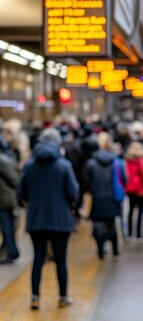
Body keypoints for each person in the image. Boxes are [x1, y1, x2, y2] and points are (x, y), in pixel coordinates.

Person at [18, 128, 79, 310]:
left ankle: (35, 297)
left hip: (36, 219)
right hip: (60, 220)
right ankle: (63, 296)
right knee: (61, 259)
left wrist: (34, 202)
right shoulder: (64, 165)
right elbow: (73, 192)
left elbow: (22, 192)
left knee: (38, 259)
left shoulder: (29, 165)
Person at [84, 132, 126, 259]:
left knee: (98, 224)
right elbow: (123, 179)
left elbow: (86, 182)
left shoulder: (91, 163)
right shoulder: (117, 162)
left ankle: (100, 249)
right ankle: (115, 249)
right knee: (111, 223)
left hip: (97, 197)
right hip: (112, 197)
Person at [124, 141, 143, 239]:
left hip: (130, 188)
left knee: (131, 209)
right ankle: (138, 233)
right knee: (140, 211)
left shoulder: (127, 160)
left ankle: (129, 232)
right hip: (140, 189)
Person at [0, 136, 19, 264]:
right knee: (7, 227)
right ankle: (8, 249)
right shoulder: (6, 158)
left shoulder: (2, 160)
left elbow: (14, 180)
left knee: (7, 227)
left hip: (4, 199)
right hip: (5, 198)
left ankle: (12, 252)